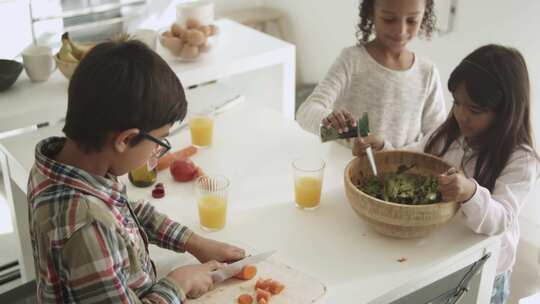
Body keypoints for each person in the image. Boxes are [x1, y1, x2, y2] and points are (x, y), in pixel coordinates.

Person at [27, 38, 245, 303]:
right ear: (126, 140)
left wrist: (193, 242)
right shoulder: (87, 225)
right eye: (160, 140)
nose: (159, 151)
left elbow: (127, 213)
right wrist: (178, 284)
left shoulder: (68, 165)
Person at [354, 44, 539, 304]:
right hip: (443, 253)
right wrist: (383, 150)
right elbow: (415, 158)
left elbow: (501, 220)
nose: (461, 115)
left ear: (505, 112)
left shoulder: (521, 159)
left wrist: (470, 192)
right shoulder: (450, 132)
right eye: (457, 103)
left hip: (486, 269)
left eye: (474, 110)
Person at [296, 0, 446, 149]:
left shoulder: (427, 74)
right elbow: (305, 114)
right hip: (342, 166)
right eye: (389, 19)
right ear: (371, 13)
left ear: (424, 17)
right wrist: (331, 125)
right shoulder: (352, 60)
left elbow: (437, 140)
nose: (401, 30)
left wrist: (385, 150)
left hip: (399, 170)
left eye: (412, 20)